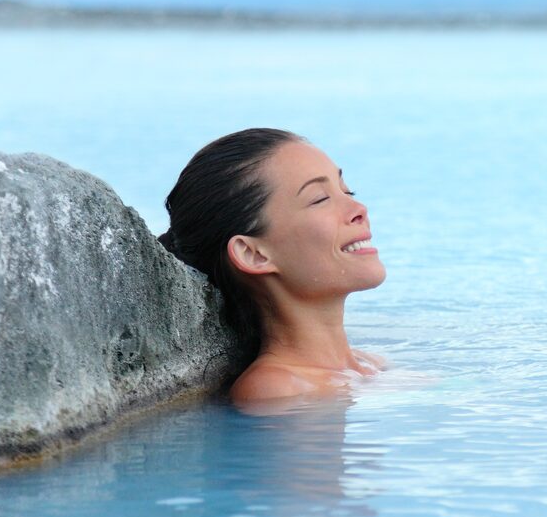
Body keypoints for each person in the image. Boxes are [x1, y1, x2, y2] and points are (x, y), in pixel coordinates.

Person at [159, 128, 387, 404]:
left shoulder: (370, 365)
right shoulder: (276, 390)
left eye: (347, 190)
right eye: (320, 199)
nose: (359, 208)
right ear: (253, 254)